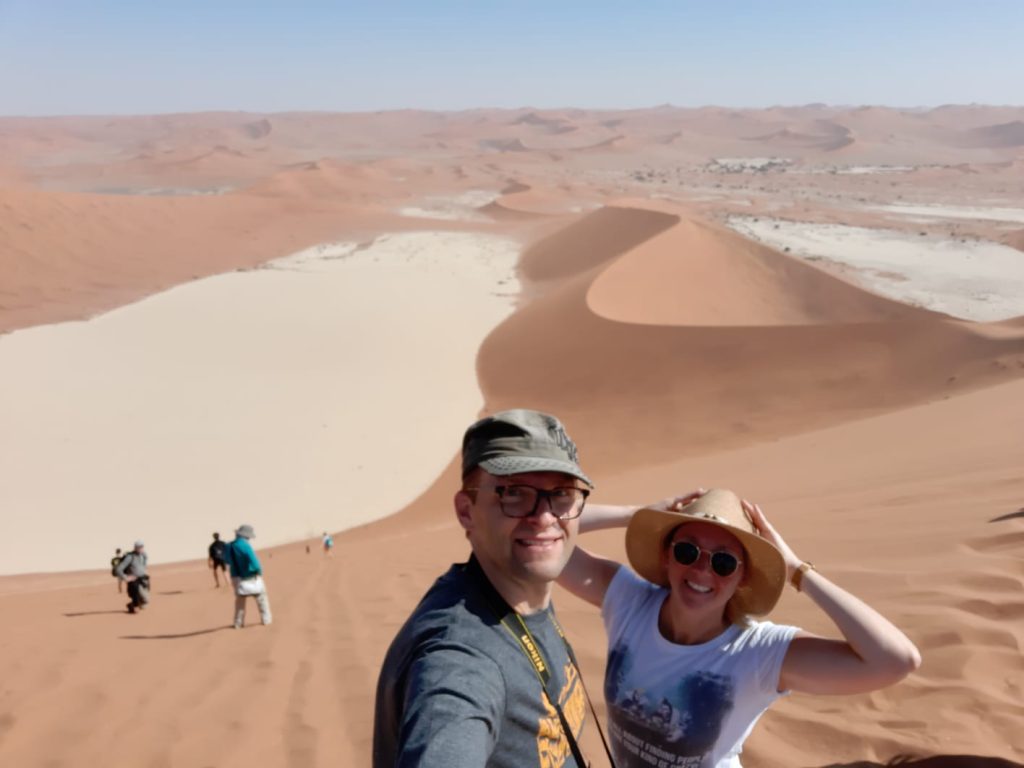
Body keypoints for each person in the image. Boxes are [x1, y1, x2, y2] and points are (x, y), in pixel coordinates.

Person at [557, 488, 922, 768]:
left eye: (724, 561)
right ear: (666, 555)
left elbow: (896, 659)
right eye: (687, 551)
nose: (701, 571)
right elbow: (542, 532)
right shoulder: (629, 602)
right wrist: (636, 515)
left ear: (743, 575)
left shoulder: (756, 653)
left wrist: (796, 570)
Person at [374, 409, 600, 768]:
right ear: (466, 512)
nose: (544, 518)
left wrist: (640, 514)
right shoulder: (459, 657)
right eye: (514, 494)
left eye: (561, 493)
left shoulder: (518, 588)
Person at [226, 524, 272, 628]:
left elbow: (227, 561)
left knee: (240, 602)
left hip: (235, 577)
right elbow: (255, 562)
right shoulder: (246, 546)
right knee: (261, 598)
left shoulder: (229, 546)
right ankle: (266, 620)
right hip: (250, 576)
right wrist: (259, 572)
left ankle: (238, 623)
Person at [114, 540, 150, 614]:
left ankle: (132, 605)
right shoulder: (130, 557)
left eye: (142, 547)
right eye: (139, 547)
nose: (141, 548)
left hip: (143, 580)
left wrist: (144, 573)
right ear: (135, 548)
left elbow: (144, 566)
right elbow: (118, 569)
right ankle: (134, 605)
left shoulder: (143, 555)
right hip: (134, 581)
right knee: (144, 599)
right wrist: (125, 577)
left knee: (144, 603)